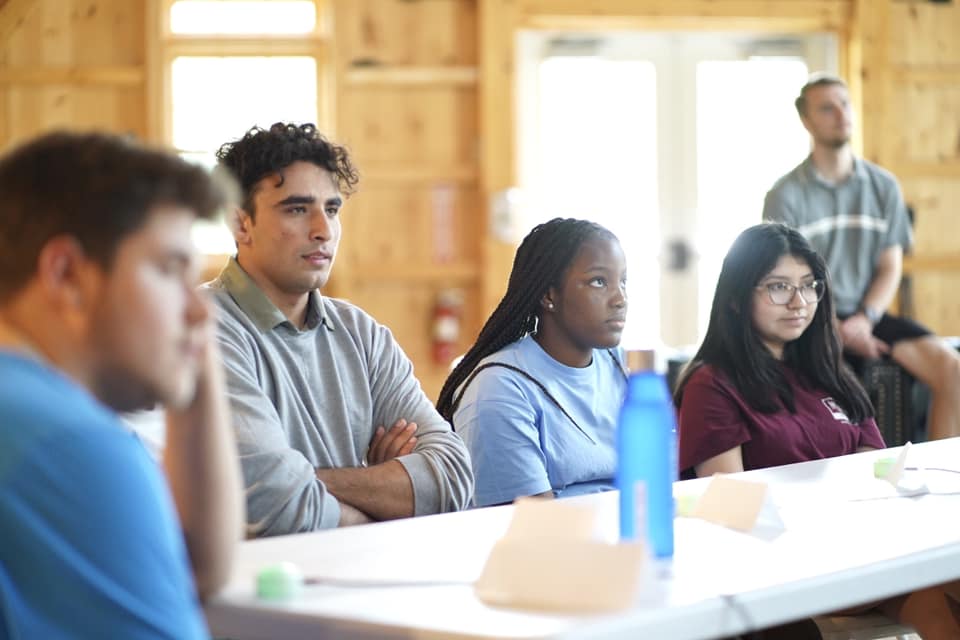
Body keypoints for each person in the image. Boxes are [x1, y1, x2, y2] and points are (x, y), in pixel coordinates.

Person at [0, 131, 244, 637]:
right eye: (169, 269)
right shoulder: (66, 441)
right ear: (66, 275)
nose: (202, 311)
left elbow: (195, 571)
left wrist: (189, 356)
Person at [676, 222, 960, 639]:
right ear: (737, 299)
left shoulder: (826, 370)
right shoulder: (712, 384)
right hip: (787, 562)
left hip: (865, 546)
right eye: (778, 287)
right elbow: (734, 509)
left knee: (942, 605)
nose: (798, 301)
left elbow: (878, 468)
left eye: (810, 286)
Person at [210, 122, 473, 536]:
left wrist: (311, 481)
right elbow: (278, 508)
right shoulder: (202, 329)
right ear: (241, 224)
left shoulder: (361, 333)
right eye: (297, 209)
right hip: (258, 593)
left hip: (368, 585)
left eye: (332, 209)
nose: (323, 229)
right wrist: (382, 486)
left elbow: (454, 479)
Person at [763, 72, 960, 441]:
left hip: (869, 314)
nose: (841, 114)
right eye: (827, 107)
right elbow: (784, 280)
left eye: (845, 103)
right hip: (810, 319)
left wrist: (864, 321)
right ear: (806, 120)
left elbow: (890, 267)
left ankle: (942, 477)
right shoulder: (785, 195)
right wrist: (836, 330)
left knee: (952, 368)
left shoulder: (884, 186)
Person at [436, 218, 628, 507]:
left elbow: (661, 481)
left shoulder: (620, 364)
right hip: (560, 546)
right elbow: (536, 530)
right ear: (549, 295)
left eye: (623, 282)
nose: (620, 299)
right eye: (598, 281)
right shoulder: (500, 388)